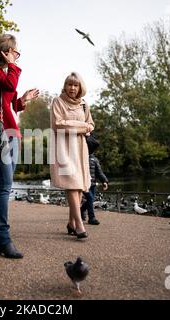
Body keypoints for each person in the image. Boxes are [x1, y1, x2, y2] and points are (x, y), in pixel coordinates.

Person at [0, 34, 39, 259]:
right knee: (5, 185)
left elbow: (11, 102)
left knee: (4, 184)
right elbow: (8, 84)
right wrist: (13, 66)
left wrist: (23, 99)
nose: (16, 56)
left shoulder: (3, 72)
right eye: (15, 52)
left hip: (11, 132)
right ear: (5, 51)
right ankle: (2, 238)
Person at [50, 72, 94, 239]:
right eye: (69, 84)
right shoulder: (57, 101)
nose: (72, 88)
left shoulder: (84, 105)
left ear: (80, 87)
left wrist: (83, 126)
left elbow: (91, 124)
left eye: (75, 85)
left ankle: (71, 222)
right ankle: (80, 225)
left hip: (81, 148)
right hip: (64, 148)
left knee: (80, 185)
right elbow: (59, 125)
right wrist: (83, 127)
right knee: (72, 184)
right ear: (65, 86)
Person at [80, 136, 109, 225]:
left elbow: (99, 172)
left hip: (92, 184)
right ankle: (91, 218)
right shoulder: (80, 158)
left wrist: (104, 181)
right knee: (90, 198)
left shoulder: (94, 160)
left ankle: (81, 210)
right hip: (83, 183)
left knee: (91, 200)